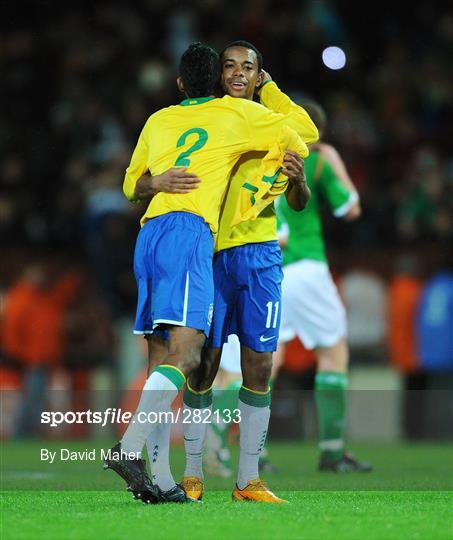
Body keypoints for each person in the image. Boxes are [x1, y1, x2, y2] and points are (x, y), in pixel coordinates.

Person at [104, 41, 315, 504]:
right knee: (195, 362)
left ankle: (221, 481)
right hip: (204, 246)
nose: (238, 74)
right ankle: (173, 465)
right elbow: (306, 130)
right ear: (216, 78)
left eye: (249, 68)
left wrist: (296, 177)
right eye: (229, 66)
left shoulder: (173, 119)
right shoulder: (235, 118)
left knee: (236, 362)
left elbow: (127, 183)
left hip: (243, 250)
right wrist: (269, 92)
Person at [274, 101, 372, 472]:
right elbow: (350, 208)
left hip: (267, 270)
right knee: (333, 353)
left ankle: (249, 453)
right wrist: (333, 160)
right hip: (308, 268)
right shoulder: (316, 158)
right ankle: (332, 452)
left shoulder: (259, 157)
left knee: (265, 361)